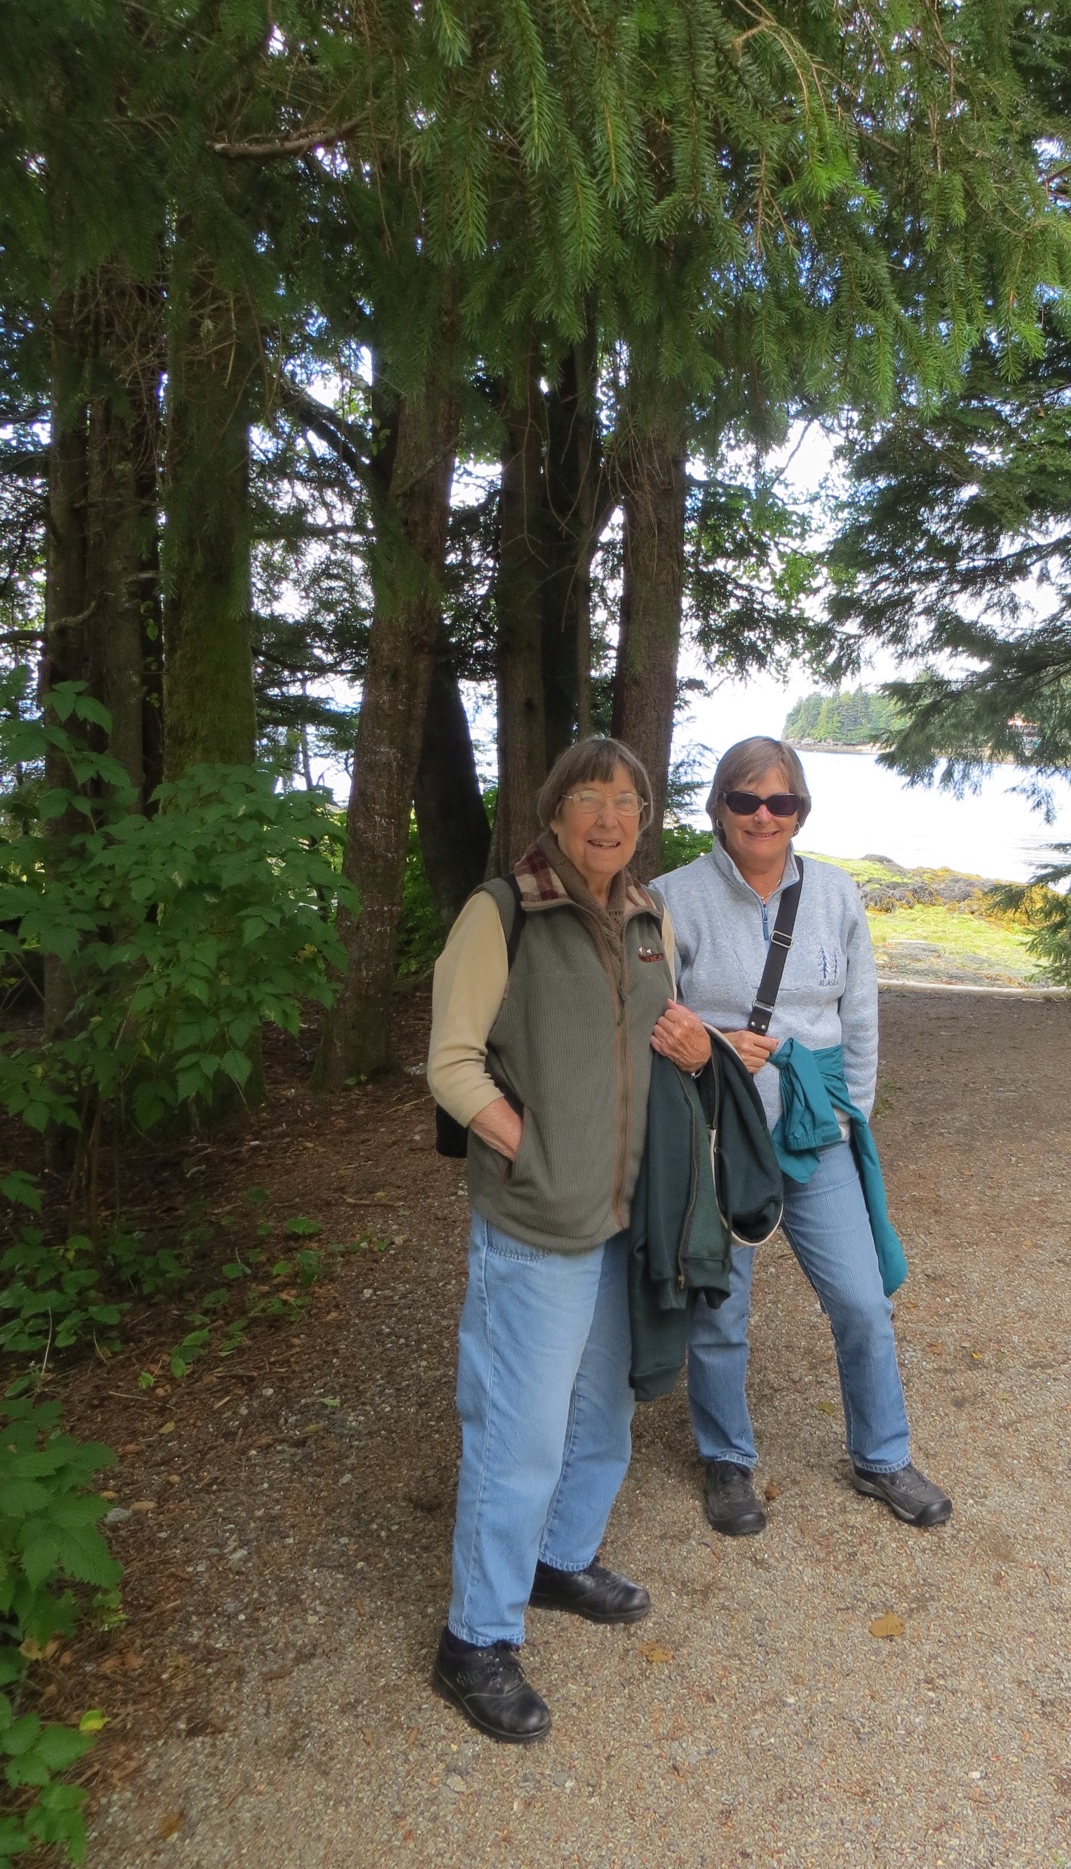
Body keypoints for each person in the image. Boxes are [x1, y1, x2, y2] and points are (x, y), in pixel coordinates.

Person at [427, 736, 711, 1744]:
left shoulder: (648, 915)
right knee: (519, 1432)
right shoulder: (503, 910)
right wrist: (531, 1147)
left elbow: (658, 1039)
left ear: (644, 820)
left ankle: (558, 1557)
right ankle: (475, 1638)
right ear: (554, 812)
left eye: (627, 801)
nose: (609, 817)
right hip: (538, 1221)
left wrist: (697, 1048)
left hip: (625, 1217)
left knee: (605, 1409)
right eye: (589, 797)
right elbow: (452, 1062)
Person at [652, 736, 952, 1537]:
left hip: (815, 1127)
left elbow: (860, 1017)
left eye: (780, 802)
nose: (763, 816)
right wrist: (713, 1044)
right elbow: (648, 1017)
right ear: (719, 807)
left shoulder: (835, 894)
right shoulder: (671, 898)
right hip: (719, 1130)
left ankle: (882, 1456)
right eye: (746, 800)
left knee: (861, 1299)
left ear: (800, 811)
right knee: (721, 1310)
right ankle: (726, 1458)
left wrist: (853, 1115)